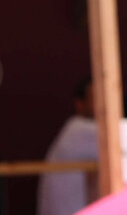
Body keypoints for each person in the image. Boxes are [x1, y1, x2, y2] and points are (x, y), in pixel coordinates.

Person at [37, 78, 98, 215]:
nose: (103, 102)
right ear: (79, 104)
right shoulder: (77, 130)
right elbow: (126, 141)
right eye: (96, 97)